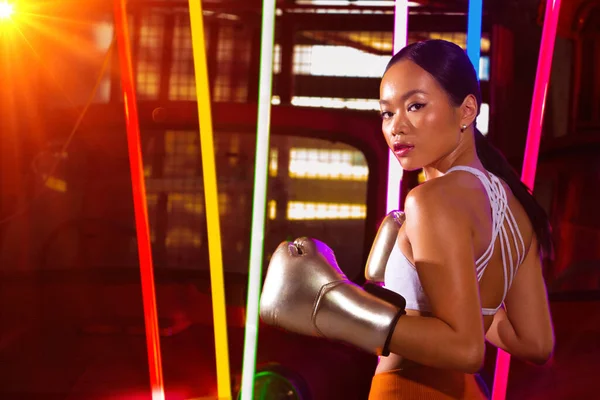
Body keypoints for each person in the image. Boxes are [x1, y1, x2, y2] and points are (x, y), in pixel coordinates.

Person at [260, 39, 555, 400]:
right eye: (386, 112)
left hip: (408, 389)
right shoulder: (516, 208)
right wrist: (468, 307)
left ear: (466, 111)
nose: (396, 127)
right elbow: (535, 343)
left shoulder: (431, 200)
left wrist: (337, 304)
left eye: (415, 106)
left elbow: (465, 351)